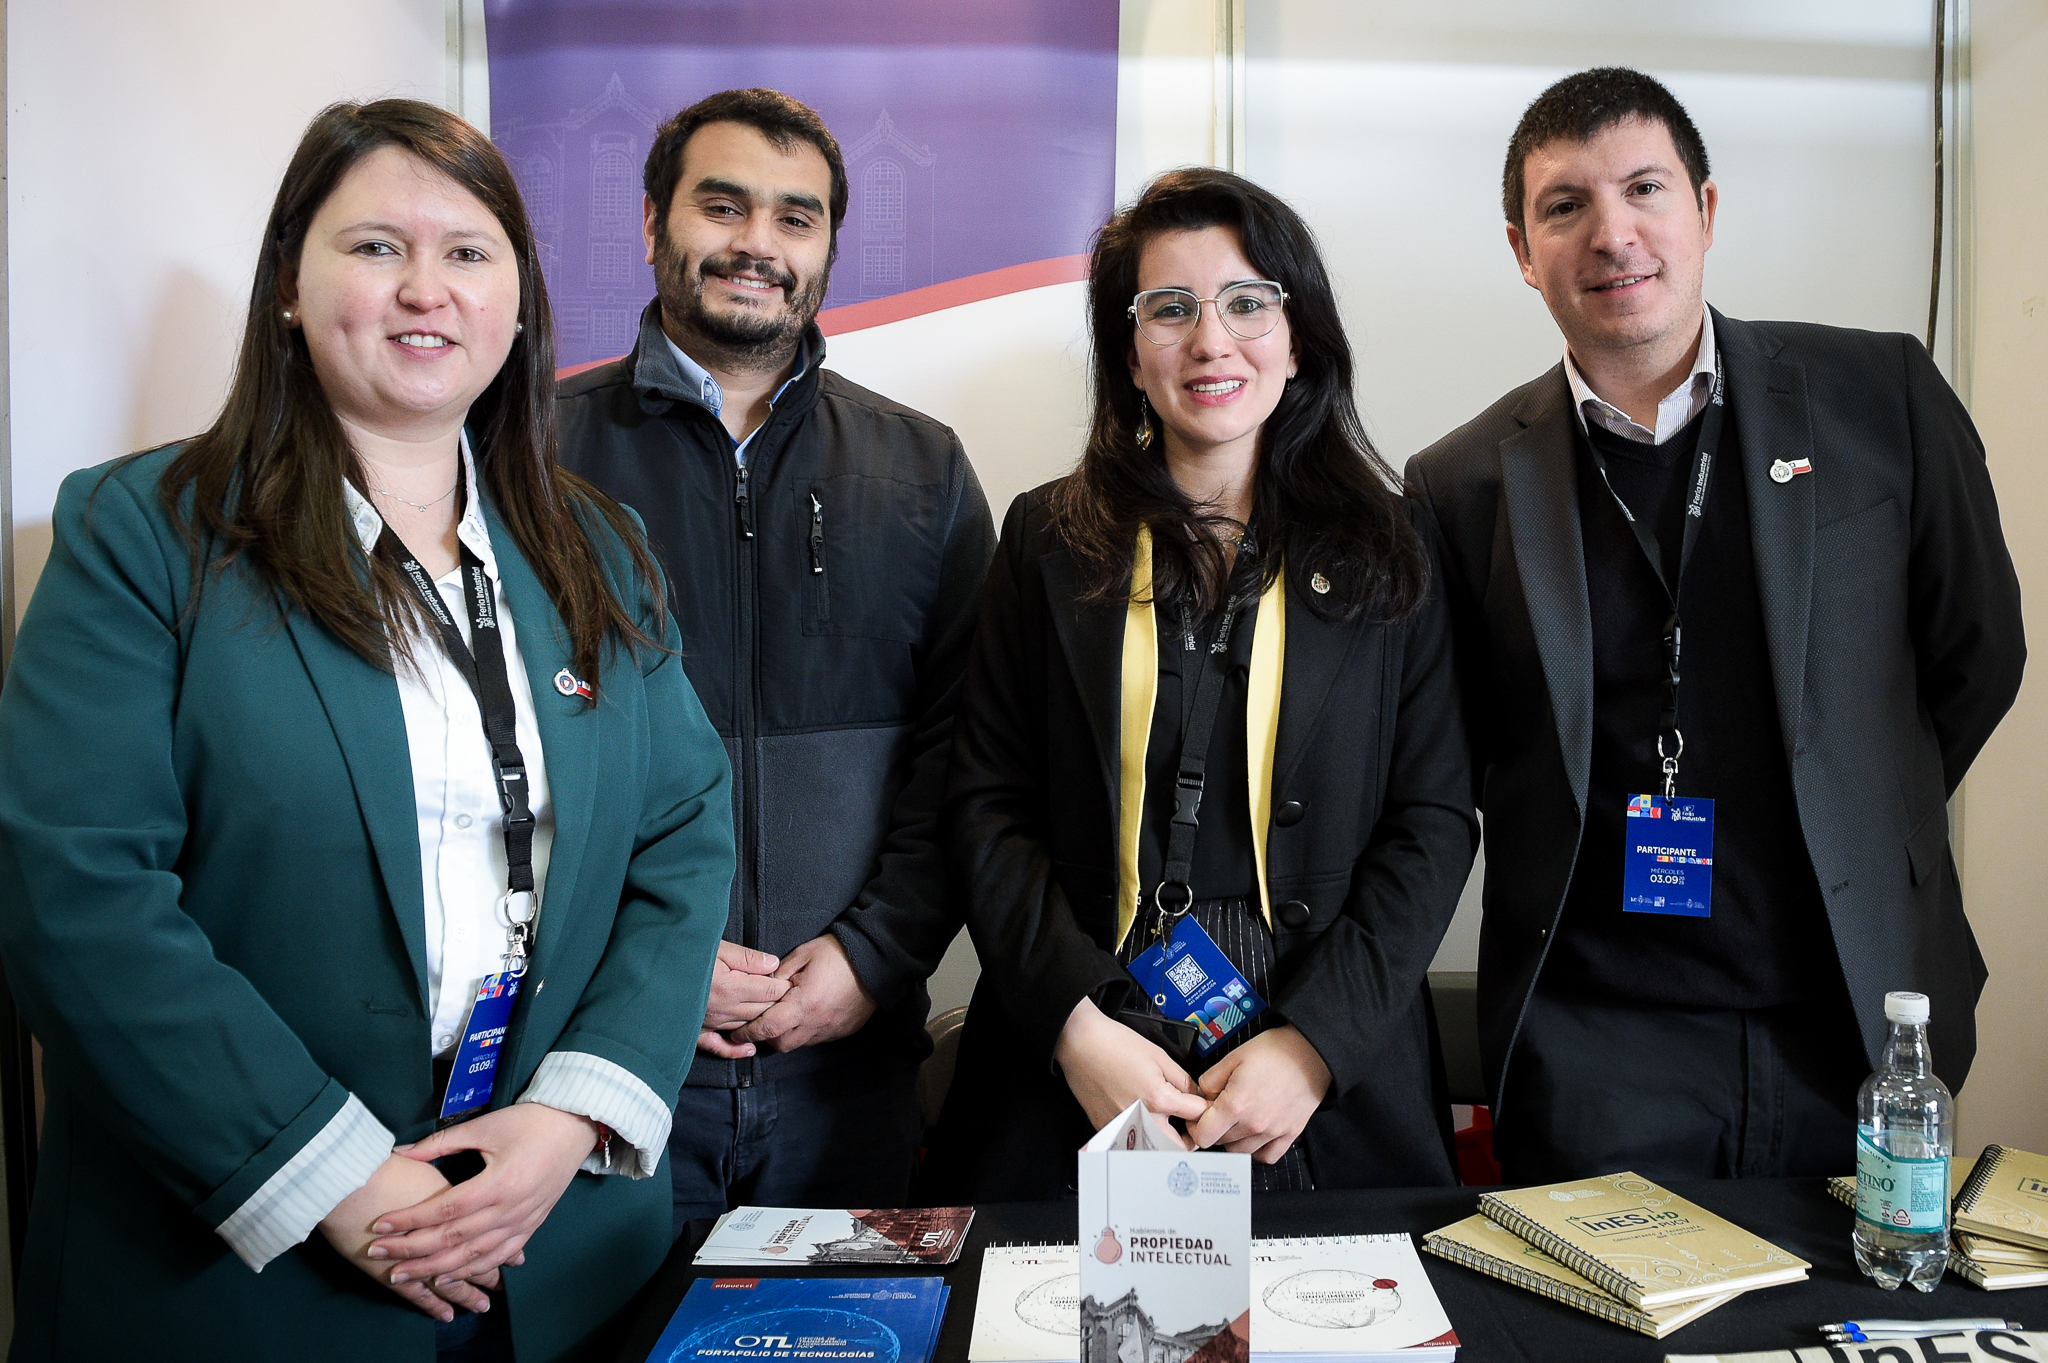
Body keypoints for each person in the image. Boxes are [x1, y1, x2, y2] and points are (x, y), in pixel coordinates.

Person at [0, 100, 733, 1361]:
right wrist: (334, 1176)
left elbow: (681, 834)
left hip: (548, 1246)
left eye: (468, 252)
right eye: (375, 247)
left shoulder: (594, 547)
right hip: (244, 1273)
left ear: (517, 300)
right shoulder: (145, 532)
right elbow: (74, 892)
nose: (425, 292)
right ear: (290, 283)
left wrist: (569, 1118)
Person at [1406, 67, 2026, 1184]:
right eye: (1564, 206)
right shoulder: (1458, 483)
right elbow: (1456, 755)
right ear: (1518, 247)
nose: (1612, 233)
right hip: (1595, 1043)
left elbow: (1975, 654)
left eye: (1644, 187)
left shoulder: (1876, 393)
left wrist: (1860, 807)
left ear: (1703, 208)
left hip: (1851, 1015)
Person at [920, 168, 1476, 1199]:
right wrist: (1072, 1027)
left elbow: (1432, 819)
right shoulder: (1045, 539)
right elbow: (984, 805)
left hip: (1313, 1048)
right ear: (1129, 354)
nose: (1209, 341)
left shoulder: (1390, 547)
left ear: (1297, 334)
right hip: (1085, 1036)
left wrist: (1312, 1043)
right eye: (1168, 309)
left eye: (1246, 303)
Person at [555, 88, 993, 1232]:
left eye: (795, 218)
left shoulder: (923, 470)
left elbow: (972, 755)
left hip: (850, 1073)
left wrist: (872, 953)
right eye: (723, 204)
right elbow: (488, 765)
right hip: (599, 1067)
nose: (758, 243)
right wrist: (640, 960)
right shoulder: (528, 460)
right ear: (653, 221)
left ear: (827, 248)